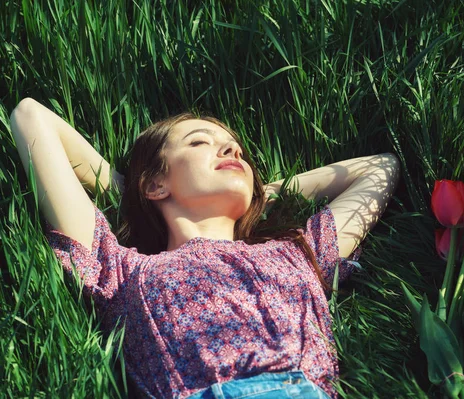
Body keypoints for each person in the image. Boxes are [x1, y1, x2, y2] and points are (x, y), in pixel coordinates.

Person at [10, 97, 400, 399]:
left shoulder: (299, 252)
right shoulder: (122, 270)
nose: (233, 152)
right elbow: (30, 116)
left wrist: (268, 193)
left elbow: (380, 168)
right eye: (200, 142)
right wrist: (129, 191)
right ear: (155, 184)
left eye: (237, 151)